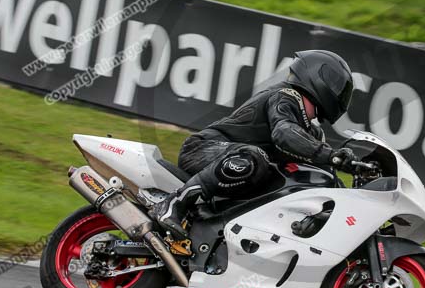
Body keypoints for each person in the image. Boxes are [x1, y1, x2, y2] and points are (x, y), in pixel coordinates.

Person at [150, 50, 358, 239]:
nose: (341, 94)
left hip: (235, 166)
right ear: (319, 76)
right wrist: (332, 155)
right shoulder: (285, 96)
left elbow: (325, 178)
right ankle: (174, 204)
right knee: (254, 158)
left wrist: (344, 201)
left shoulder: (313, 133)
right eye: (339, 87)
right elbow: (284, 133)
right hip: (202, 150)